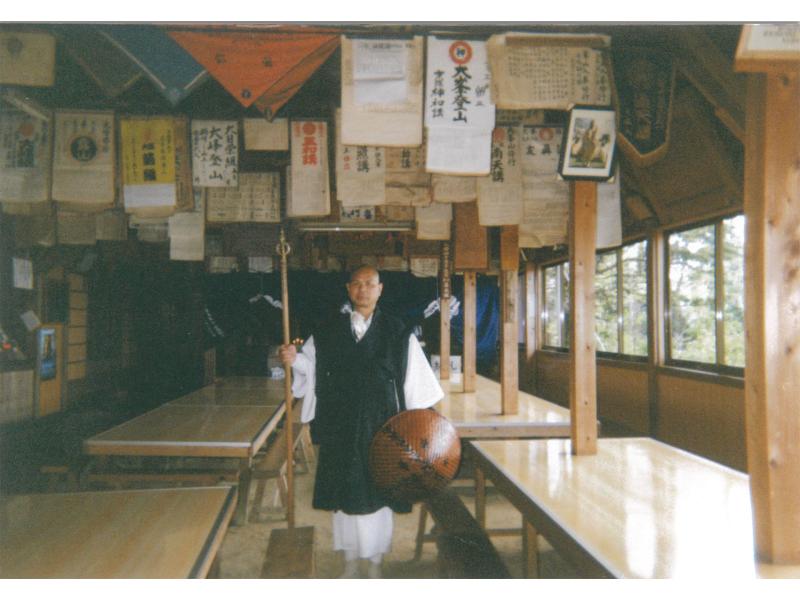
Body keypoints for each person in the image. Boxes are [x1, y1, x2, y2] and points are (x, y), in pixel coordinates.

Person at [279, 265, 443, 578]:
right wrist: (293, 358)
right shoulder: (328, 330)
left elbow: (417, 384)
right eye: (357, 283)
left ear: (380, 289)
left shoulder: (398, 332)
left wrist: (417, 429)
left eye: (370, 284)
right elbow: (309, 365)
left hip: (382, 427)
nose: (363, 289)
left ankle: (375, 563)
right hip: (339, 424)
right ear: (348, 289)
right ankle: (350, 562)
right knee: (344, 495)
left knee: (378, 496)